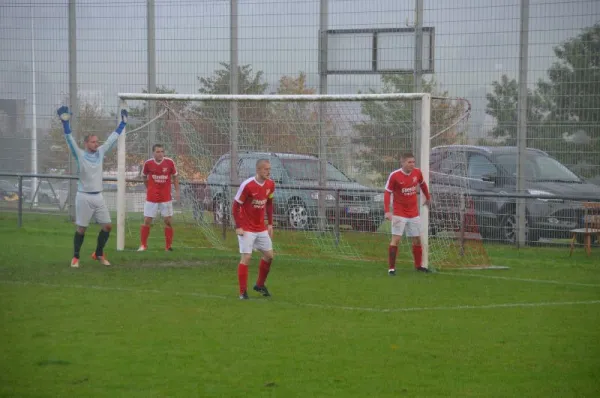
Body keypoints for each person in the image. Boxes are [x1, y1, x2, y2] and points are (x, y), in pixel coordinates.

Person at [57, 105, 128, 268]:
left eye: (97, 142)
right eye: (93, 142)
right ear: (86, 143)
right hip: (84, 196)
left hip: (98, 196)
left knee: (108, 226)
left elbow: (112, 138)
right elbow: (69, 138)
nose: (97, 144)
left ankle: (98, 253)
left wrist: (122, 123)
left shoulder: (101, 152)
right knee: (81, 229)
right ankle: (75, 257)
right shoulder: (80, 154)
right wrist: (65, 123)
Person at [232, 159, 276, 300]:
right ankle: (242, 292)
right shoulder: (248, 185)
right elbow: (235, 206)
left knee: (269, 256)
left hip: (260, 227)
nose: (268, 172)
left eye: (269, 169)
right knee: (247, 257)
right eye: (265, 169)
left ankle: (260, 285)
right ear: (258, 170)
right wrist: (238, 226)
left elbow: (269, 203)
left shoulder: (270, 184)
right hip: (246, 228)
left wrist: (270, 224)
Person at [384, 152, 431, 275]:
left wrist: (428, 197)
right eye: (409, 162)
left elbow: (423, 184)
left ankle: (418, 266)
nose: (412, 164)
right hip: (399, 213)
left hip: (413, 213)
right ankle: (391, 268)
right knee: (397, 239)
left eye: (413, 162)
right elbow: (387, 192)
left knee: (417, 239)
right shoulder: (394, 176)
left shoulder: (417, 173)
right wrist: (387, 211)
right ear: (403, 162)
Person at [138, 144, 180, 252]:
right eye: (158, 152)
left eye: (162, 151)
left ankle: (168, 246)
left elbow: (175, 176)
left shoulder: (170, 162)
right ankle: (143, 245)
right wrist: (149, 187)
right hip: (151, 197)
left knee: (168, 221)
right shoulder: (148, 163)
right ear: (153, 153)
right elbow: (143, 176)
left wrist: (177, 191)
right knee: (147, 220)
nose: (160, 153)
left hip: (165, 197)